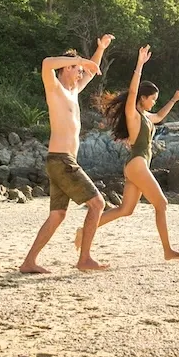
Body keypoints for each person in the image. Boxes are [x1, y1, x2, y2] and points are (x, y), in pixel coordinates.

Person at [19, 35, 113, 274]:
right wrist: (79, 60)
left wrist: (100, 49)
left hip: (62, 160)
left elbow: (91, 71)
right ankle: (85, 259)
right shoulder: (55, 89)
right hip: (62, 160)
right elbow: (46, 63)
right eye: (77, 69)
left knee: (58, 215)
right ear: (66, 68)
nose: (81, 73)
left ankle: (29, 262)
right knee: (98, 204)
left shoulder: (73, 91)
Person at [86, 45, 179, 260]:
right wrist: (139, 64)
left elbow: (159, 117)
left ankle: (83, 232)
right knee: (161, 203)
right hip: (137, 164)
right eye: (152, 99)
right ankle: (167, 250)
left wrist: (173, 99)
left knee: (125, 210)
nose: (154, 102)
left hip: (136, 165)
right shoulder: (132, 114)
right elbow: (132, 92)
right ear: (143, 98)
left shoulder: (146, 117)